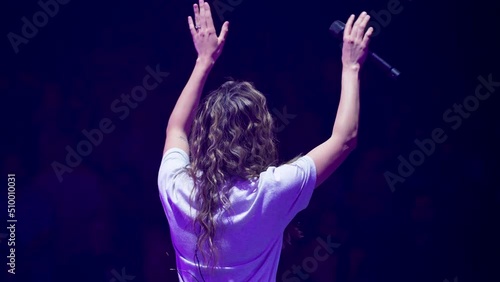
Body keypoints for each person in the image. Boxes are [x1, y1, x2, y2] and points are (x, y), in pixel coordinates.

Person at [157, 0, 373, 280]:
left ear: (205, 134)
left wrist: (203, 62)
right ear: (260, 135)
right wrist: (351, 66)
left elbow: (176, 128)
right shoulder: (270, 192)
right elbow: (345, 140)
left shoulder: (176, 186)